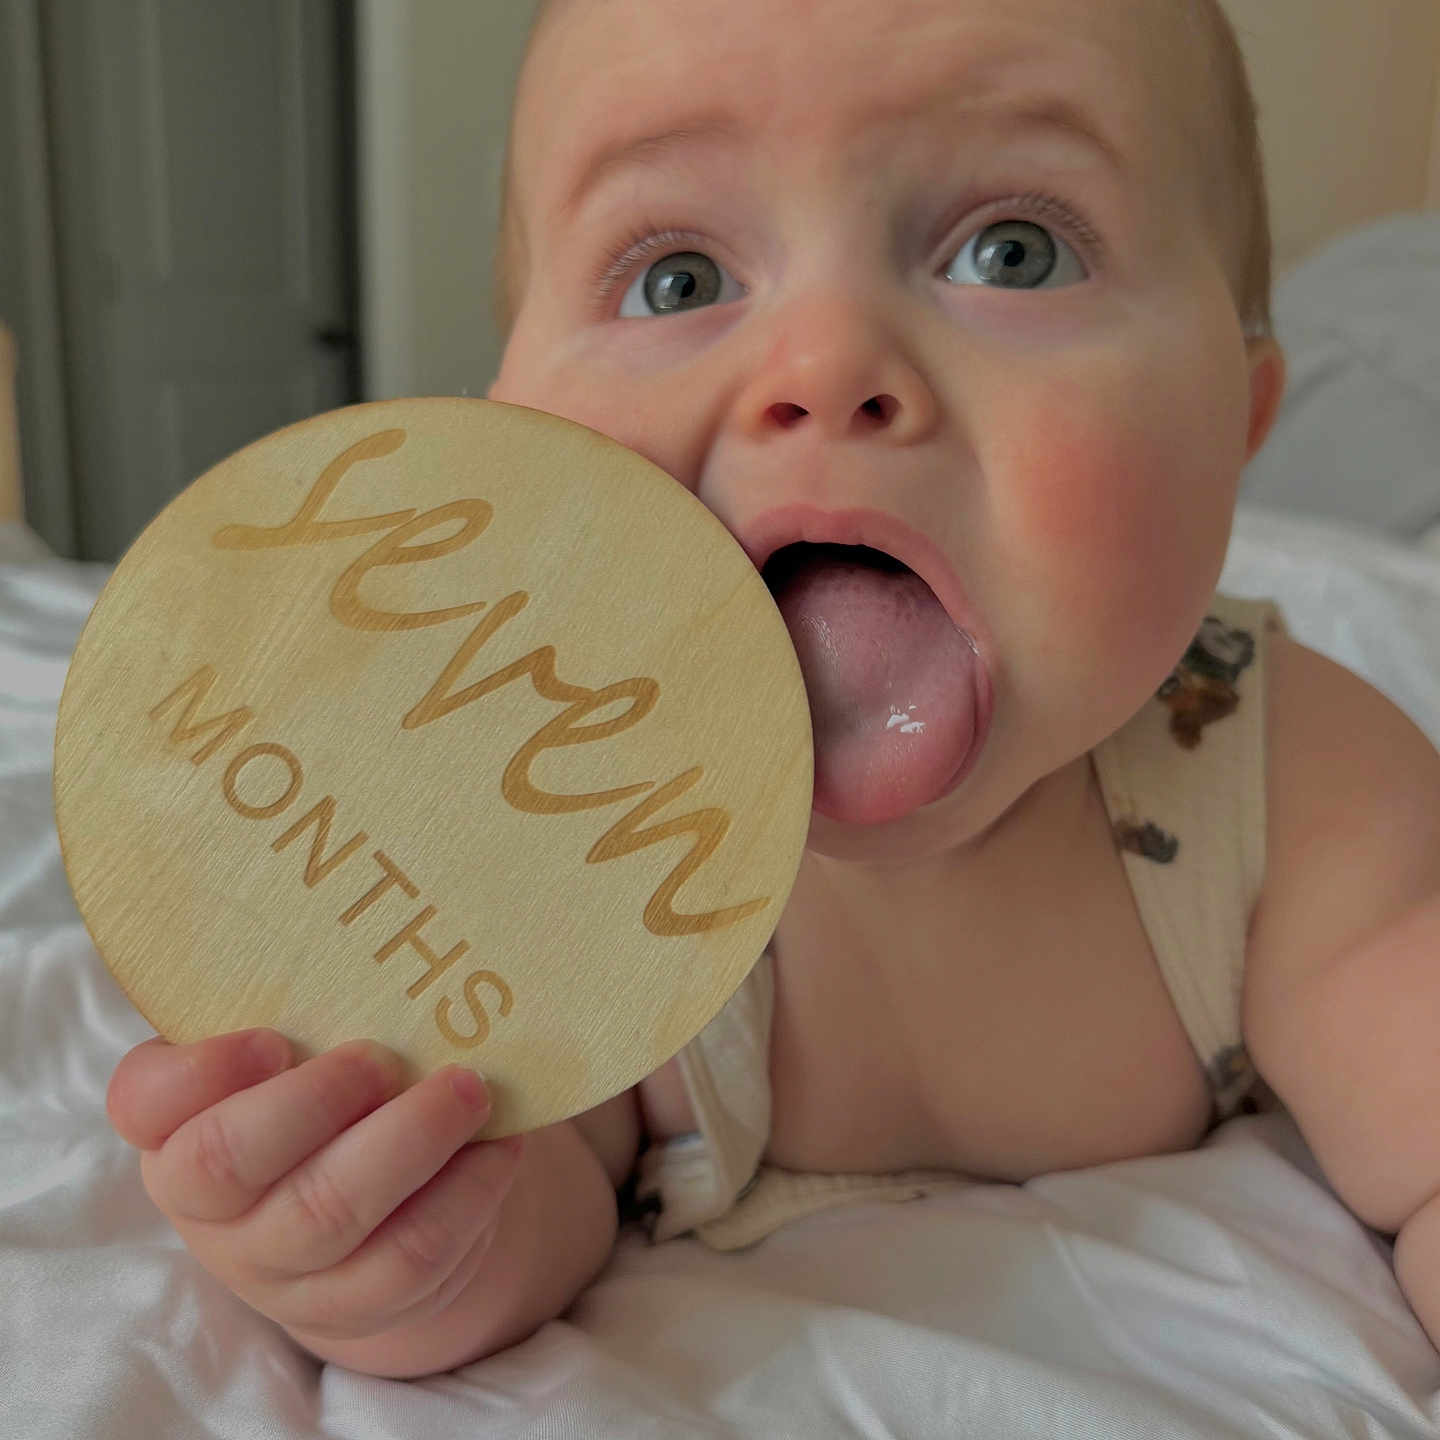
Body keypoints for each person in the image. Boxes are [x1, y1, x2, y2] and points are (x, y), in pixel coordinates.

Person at [104, 0, 1440, 1380]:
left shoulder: (1294, 785)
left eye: (1013, 251)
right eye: (675, 278)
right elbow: (535, 1191)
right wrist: (399, 1238)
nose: (825, 369)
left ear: (1238, 419)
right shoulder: (548, 817)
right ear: (503, 429)